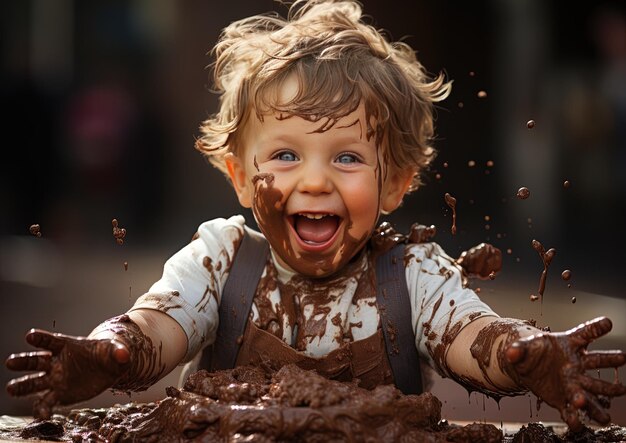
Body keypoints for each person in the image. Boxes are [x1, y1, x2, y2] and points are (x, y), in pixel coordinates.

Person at [6, 0, 625, 432]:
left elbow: (467, 338)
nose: (314, 179)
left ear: (397, 182)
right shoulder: (221, 262)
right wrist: (111, 353)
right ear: (242, 177)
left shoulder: (412, 275)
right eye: (284, 154)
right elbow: (161, 327)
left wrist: (521, 355)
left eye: (348, 156)